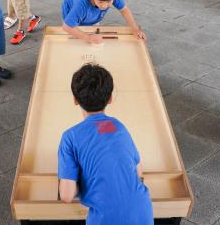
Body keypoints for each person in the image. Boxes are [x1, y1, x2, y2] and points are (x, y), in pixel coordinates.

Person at [58, 63, 153, 224]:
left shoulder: (70, 137)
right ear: (110, 99)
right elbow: (139, 172)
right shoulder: (118, 126)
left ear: (75, 100)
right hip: (143, 212)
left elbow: (66, 195)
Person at [61, 0, 145, 44]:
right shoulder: (81, 5)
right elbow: (67, 26)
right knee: (78, 37)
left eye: (108, 2)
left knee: (91, 28)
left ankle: (91, 23)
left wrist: (135, 29)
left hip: (87, 10)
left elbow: (124, 10)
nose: (104, 6)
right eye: (101, 2)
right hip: (72, 8)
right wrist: (88, 37)